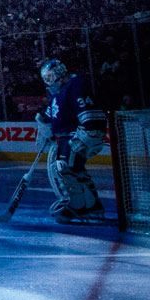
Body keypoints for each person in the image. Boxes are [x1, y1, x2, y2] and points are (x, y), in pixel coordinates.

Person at [36, 59, 107, 223]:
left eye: (49, 77)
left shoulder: (75, 85)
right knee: (75, 171)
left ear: (58, 74)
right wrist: (44, 125)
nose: (47, 81)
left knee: (66, 169)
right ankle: (92, 204)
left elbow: (87, 113)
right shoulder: (58, 93)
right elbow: (51, 116)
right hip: (63, 139)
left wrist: (90, 131)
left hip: (73, 137)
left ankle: (79, 206)